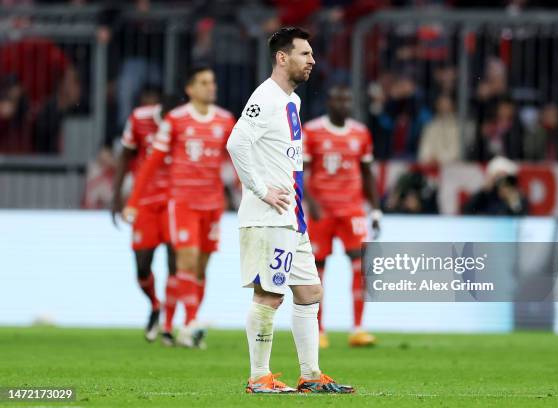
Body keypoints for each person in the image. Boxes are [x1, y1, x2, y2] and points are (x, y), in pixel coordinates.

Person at [226, 27, 354, 394]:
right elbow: (236, 143)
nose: (312, 60)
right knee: (269, 294)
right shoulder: (265, 97)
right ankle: (259, 377)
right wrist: (261, 189)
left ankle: (311, 376)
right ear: (282, 58)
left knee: (311, 292)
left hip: (292, 219)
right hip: (268, 218)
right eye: (304, 54)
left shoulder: (292, 102)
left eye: (312, 54)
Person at [123, 65, 236, 348]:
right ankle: (191, 323)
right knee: (185, 260)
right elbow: (150, 164)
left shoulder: (225, 120)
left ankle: (178, 324)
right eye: (204, 82)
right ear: (190, 89)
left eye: (212, 82)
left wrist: (248, 192)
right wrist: (133, 202)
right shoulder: (175, 120)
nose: (211, 87)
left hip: (212, 204)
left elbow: (238, 160)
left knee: (200, 267)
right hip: (183, 202)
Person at [302, 84, 381, 349]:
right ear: (329, 101)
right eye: (338, 98)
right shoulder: (312, 131)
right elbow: (301, 172)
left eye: (347, 99)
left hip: (352, 211)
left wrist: (376, 209)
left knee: (362, 268)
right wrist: (310, 203)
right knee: (317, 270)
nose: (343, 103)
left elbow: (368, 173)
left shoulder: (361, 133)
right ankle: (319, 330)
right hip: (321, 212)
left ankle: (358, 328)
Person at [111, 92, 179, 345]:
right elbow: (125, 155)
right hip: (145, 203)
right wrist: (116, 196)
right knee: (141, 267)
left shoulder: (185, 124)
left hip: (174, 202)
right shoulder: (139, 119)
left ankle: (170, 326)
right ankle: (154, 305)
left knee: (175, 263)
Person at [462, 156, 529, 216]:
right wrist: (483, 191)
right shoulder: (486, 195)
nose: (502, 183)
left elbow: (523, 216)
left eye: (506, 179)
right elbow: (467, 211)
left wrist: (513, 200)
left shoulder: (517, 196)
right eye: (498, 178)